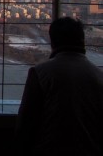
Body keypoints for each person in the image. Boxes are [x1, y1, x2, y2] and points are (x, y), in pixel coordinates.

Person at [15, 16, 103, 156]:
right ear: (82, 41)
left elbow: (26, 124)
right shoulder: (98, 76)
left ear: (53, 42)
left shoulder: (40, 73)